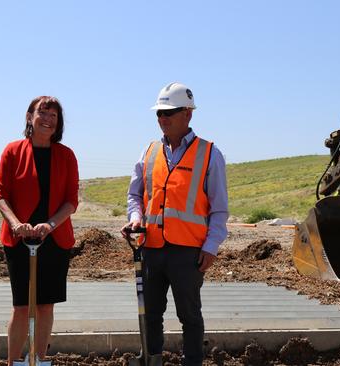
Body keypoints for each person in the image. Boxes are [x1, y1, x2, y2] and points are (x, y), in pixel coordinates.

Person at [122, 82, 229, 366]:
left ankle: (192, 362)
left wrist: (212, 246)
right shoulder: (149, 152)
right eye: (159, 113)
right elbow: (134, 195)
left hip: (188, 253)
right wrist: (135, 219)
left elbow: (219, 210)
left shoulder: (209, 155)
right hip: (152, 248)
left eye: (169, 112)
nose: (162, 119)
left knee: (189, 315)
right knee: (150, 312)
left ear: (188, 115)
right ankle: (151, 359)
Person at [0, 96, 79, 366]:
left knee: (45, 306)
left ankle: (40, 360)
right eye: (42, 113)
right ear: (29, 117)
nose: (48, 119)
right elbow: (1, 196)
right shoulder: (13, 151)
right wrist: (15, 223)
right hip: (21, 240)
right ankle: (13, 361)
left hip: (54, 239)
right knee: (21, 307)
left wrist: (51, 224)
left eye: (53, 115)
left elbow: (71, 201)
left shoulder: (66, 155)